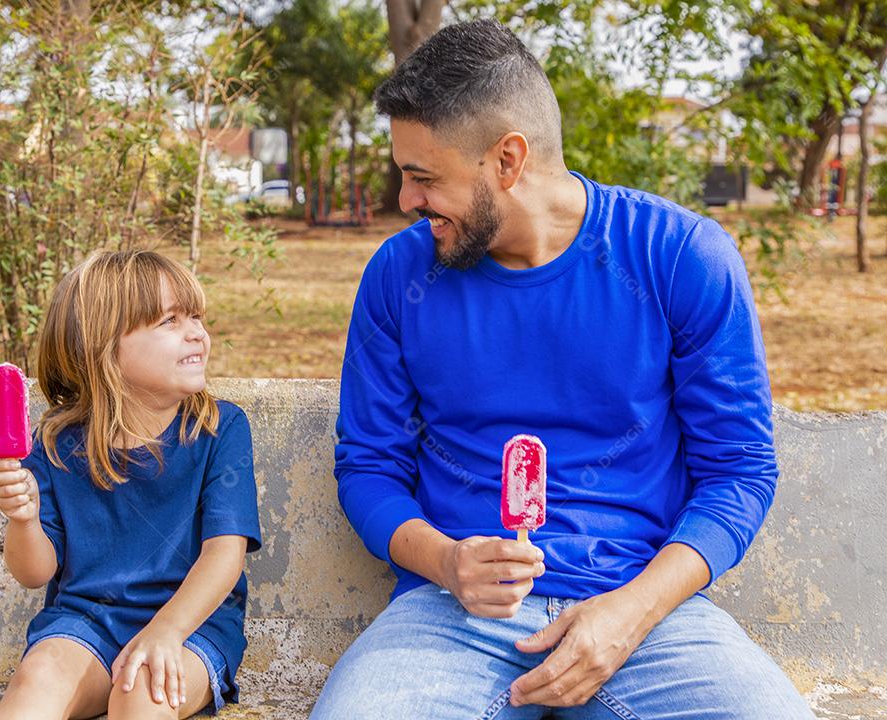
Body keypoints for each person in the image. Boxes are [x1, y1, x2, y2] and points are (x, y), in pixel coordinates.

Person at [311, 19, 815, 720]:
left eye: (423, 177)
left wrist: (631, 614)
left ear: (508, 161)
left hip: (644, 611)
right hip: (450, 617)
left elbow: (740, 471)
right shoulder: (400, 276)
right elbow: (369, 466)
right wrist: (446, 562)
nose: (407, 202)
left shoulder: (681, 256)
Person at [0, 250, 262, 719]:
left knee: (142, 694)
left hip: (191, 628)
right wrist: (23, 519)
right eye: (170, 321)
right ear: (103, 348)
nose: (196, 332)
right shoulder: (55, 443)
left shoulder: (220, 429)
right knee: (39, 678)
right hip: (85, 625)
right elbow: (34, 572)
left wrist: (165, 632)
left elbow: (225, 556)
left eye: (196, 316)